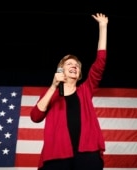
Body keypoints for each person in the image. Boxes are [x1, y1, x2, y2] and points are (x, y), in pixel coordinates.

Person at [30, 13, 108, 170]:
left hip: (87, 154)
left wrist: (103, 27)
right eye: (69, 64)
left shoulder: (85, 90)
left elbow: (100, 63)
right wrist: (53, 86)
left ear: (79, 74)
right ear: (61, 70)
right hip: (56, 156)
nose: (74, 66)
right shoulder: (50, 93)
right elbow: (35, 117)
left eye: (77, 65)